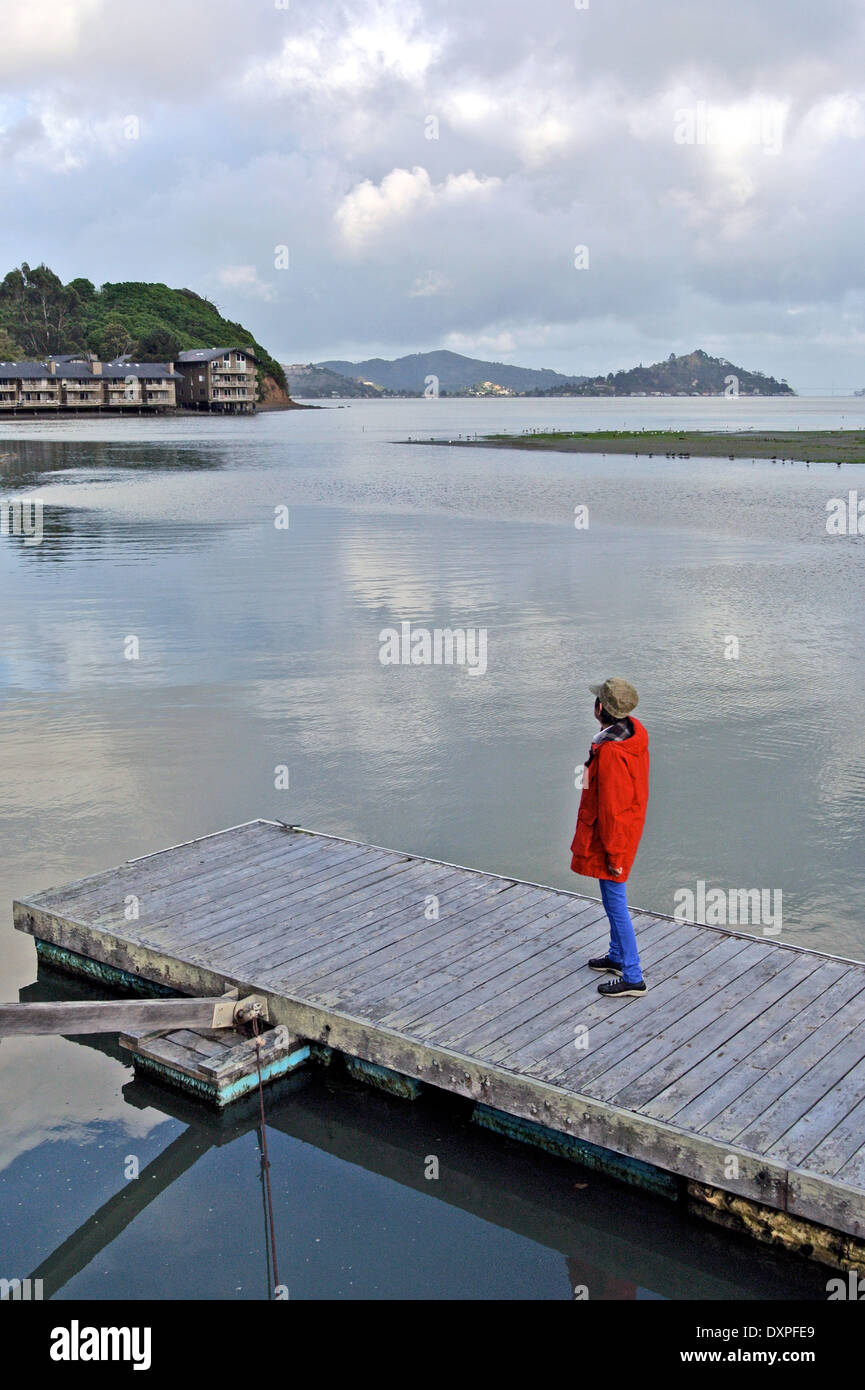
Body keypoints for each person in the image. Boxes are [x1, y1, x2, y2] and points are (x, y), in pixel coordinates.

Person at [570, 678, 650, 998]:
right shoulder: (632, 733)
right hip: (625, 829)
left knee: (616, 902)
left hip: (615, 837)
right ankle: (617, 956)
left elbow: (613, 807)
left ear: (600, 708)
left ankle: (633, 975)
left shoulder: (613, 753)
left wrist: (615, 856)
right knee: (609, 898)